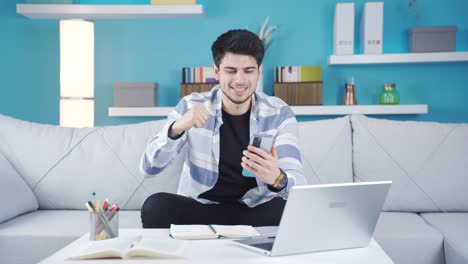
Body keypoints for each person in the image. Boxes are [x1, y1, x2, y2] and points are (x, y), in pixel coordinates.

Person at [139, 29, 305, 228]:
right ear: (216, 71)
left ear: (259, 71)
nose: (240, 80)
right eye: (231, 70)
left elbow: (299, 185)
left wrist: (277, 178)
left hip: (254, 211)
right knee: (155, 206)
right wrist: (177, 128)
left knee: (293, 209)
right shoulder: (191, 105)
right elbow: (148, 168)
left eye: (248, 71)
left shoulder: (279, 113)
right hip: (203, 209)